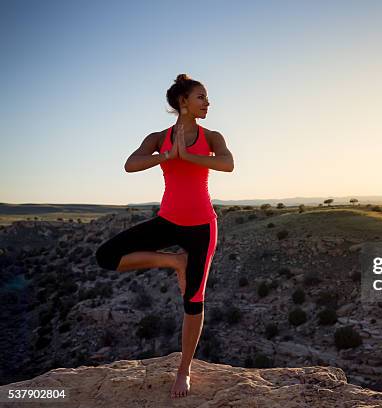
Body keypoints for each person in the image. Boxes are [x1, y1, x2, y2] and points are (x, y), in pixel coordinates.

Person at [94, 73, 234, 399]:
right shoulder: (159, 137)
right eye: (202, 97)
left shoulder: (212, 136)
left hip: (202, 227)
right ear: (183, 102)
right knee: (106, 256)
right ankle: (175, 261)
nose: (208, 103)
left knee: (194, 301)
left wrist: (189, 157)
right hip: (168, 221)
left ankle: (184, 370)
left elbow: (228, 164)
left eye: (207, 98)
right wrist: (166, 156)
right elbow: (131, 164)